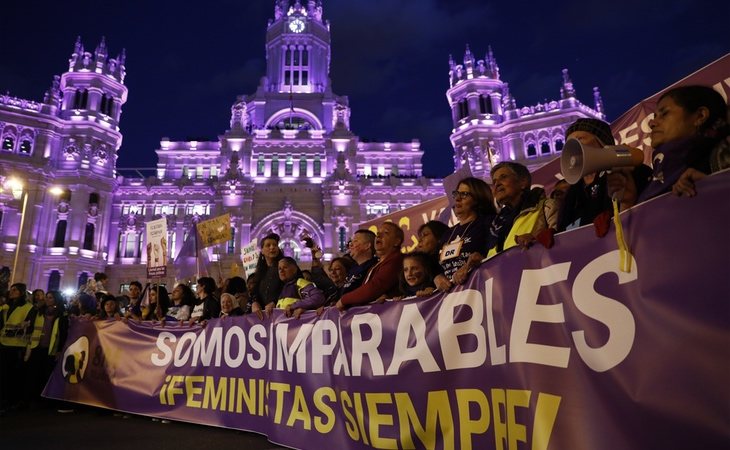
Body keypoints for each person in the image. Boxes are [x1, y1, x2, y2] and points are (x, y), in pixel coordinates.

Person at [612, 85, 729, 202]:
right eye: (654, 116)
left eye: (664, 114)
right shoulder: (656, 176)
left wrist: (716, 187)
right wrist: (628, 204)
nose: (651, 123)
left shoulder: (723, 156)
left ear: (700, 116)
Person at [558, 118, 651, 231]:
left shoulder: (627, 174)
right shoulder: (572, 194)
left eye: (580, 139)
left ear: (601, 142)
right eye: (569, 143)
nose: (574, 147)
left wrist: (626, 205)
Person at [434, 177, 496, 291]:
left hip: (479, 288)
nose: (457, 199)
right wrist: (437, 277)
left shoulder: (489, 223)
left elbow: (496, 254)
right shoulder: (447, 234)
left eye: (464, 194)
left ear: (478, 198)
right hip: (451, 297)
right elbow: (435, 266)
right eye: (456, 194)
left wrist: (477, 262)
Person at [487, 162, 555, 257]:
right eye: (494, 182)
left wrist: (536, 239)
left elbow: (562, 240)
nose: (497, 184)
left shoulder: (546, 206)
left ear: (523, 181)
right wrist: (480, 262)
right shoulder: (496, 224)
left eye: (503, 177)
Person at [337, 222, 405, 309]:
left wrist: (344, 300)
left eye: (386, 233)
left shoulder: (397, 260)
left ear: (397, 241)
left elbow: (375, 287)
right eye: (378, 233)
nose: (379, 235)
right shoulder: (377, 265)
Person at [26, 290, 68, 407]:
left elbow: (63, 333)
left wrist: (59, 350)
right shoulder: (39, 311)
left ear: (56, 299)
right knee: (34, 373)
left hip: (50, 348)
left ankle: (45, 399)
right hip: (36, 346)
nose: (47, 299)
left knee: (46, 374)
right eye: (47, 297)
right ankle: (34, 397)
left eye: (50, 297)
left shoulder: (61, 314)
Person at [0, 283, 36, 412]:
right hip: (3, 343)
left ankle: (12, 401)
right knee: (3, 375)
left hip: (17, 345)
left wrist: (15, 331)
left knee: (13, 376)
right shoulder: (5, 307)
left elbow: (30, 327)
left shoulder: (28, 308)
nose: (11, 292)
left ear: (21, 292)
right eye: (11, 289)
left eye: (15, 290)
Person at [250, 233, 284, 318]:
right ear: (262, 250)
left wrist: (274, 302)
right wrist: (255, 302)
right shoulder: (259, 272)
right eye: (268, 245)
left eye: (275, 245)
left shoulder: (285, 267)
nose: (272, 247)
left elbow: (289, 287)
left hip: (280, 315)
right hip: (263, 318)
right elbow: (255, 292)